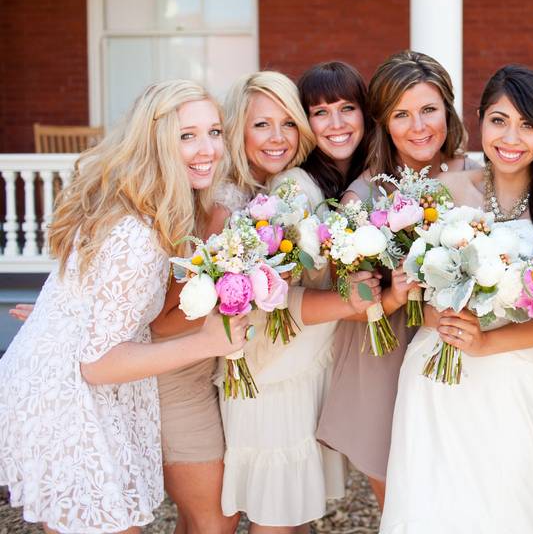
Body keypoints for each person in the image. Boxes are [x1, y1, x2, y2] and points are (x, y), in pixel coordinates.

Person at [0, 80, 249, 533]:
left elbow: (90, 291)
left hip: (70, 384)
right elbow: (98, 363)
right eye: (186, 135)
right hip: (66, 401)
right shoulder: (138, 231)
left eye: (213, 131)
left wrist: (59, 316)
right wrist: (209, 342)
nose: (208, 148)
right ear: (154, 142)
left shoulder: (144, 202)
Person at [380, 65, 533, 533]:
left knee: (506, 505)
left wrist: (486, 343)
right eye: (499, 120)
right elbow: (417, 282)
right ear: (479, 120)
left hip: (515, 375)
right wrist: (440, 315)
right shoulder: (447, 190)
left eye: (527, 124)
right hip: (437, 366)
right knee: (428, 506)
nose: (511, 137)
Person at [216, 70, 377, 532]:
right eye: (262, 124)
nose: (278, 136)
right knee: (278, 516)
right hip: (273, 375)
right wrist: (357, 300)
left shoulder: (331, 185)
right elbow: (275, 299)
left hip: (304, 366)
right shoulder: (292, 189)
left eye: (288, 123)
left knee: (294, 514)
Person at [316, 51, 474, 507]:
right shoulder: (362, 196)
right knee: (404, 501)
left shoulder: (478, 176)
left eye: (428, 110)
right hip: (382, 354)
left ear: (447, 108)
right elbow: (348, 296)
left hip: (461, 345)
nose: (419, 126)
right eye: (401, 115)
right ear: (383, 122)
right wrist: (390, 295)